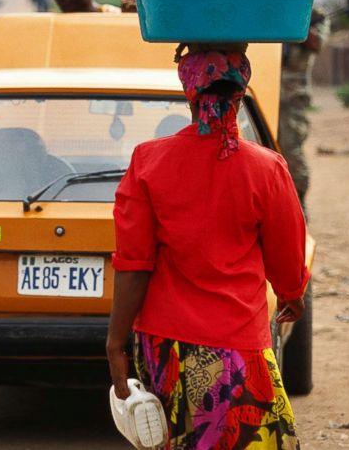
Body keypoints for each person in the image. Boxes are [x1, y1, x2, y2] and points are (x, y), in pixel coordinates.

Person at [106, 45, 310, 449]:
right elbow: (287, 256)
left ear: (189, 92)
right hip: (240, 345)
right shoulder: (266, 168)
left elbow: (134, 265)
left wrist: (115, 341)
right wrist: (292, 294)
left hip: (166, 344)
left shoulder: (148, 161)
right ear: (241, 92)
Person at [280, 8, 328, 213]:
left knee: (290, 147)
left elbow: (317, 43)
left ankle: (299, 203)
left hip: (292, 96)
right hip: (264, 89)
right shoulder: (272, 5)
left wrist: (295, 22)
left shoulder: (314, 14)